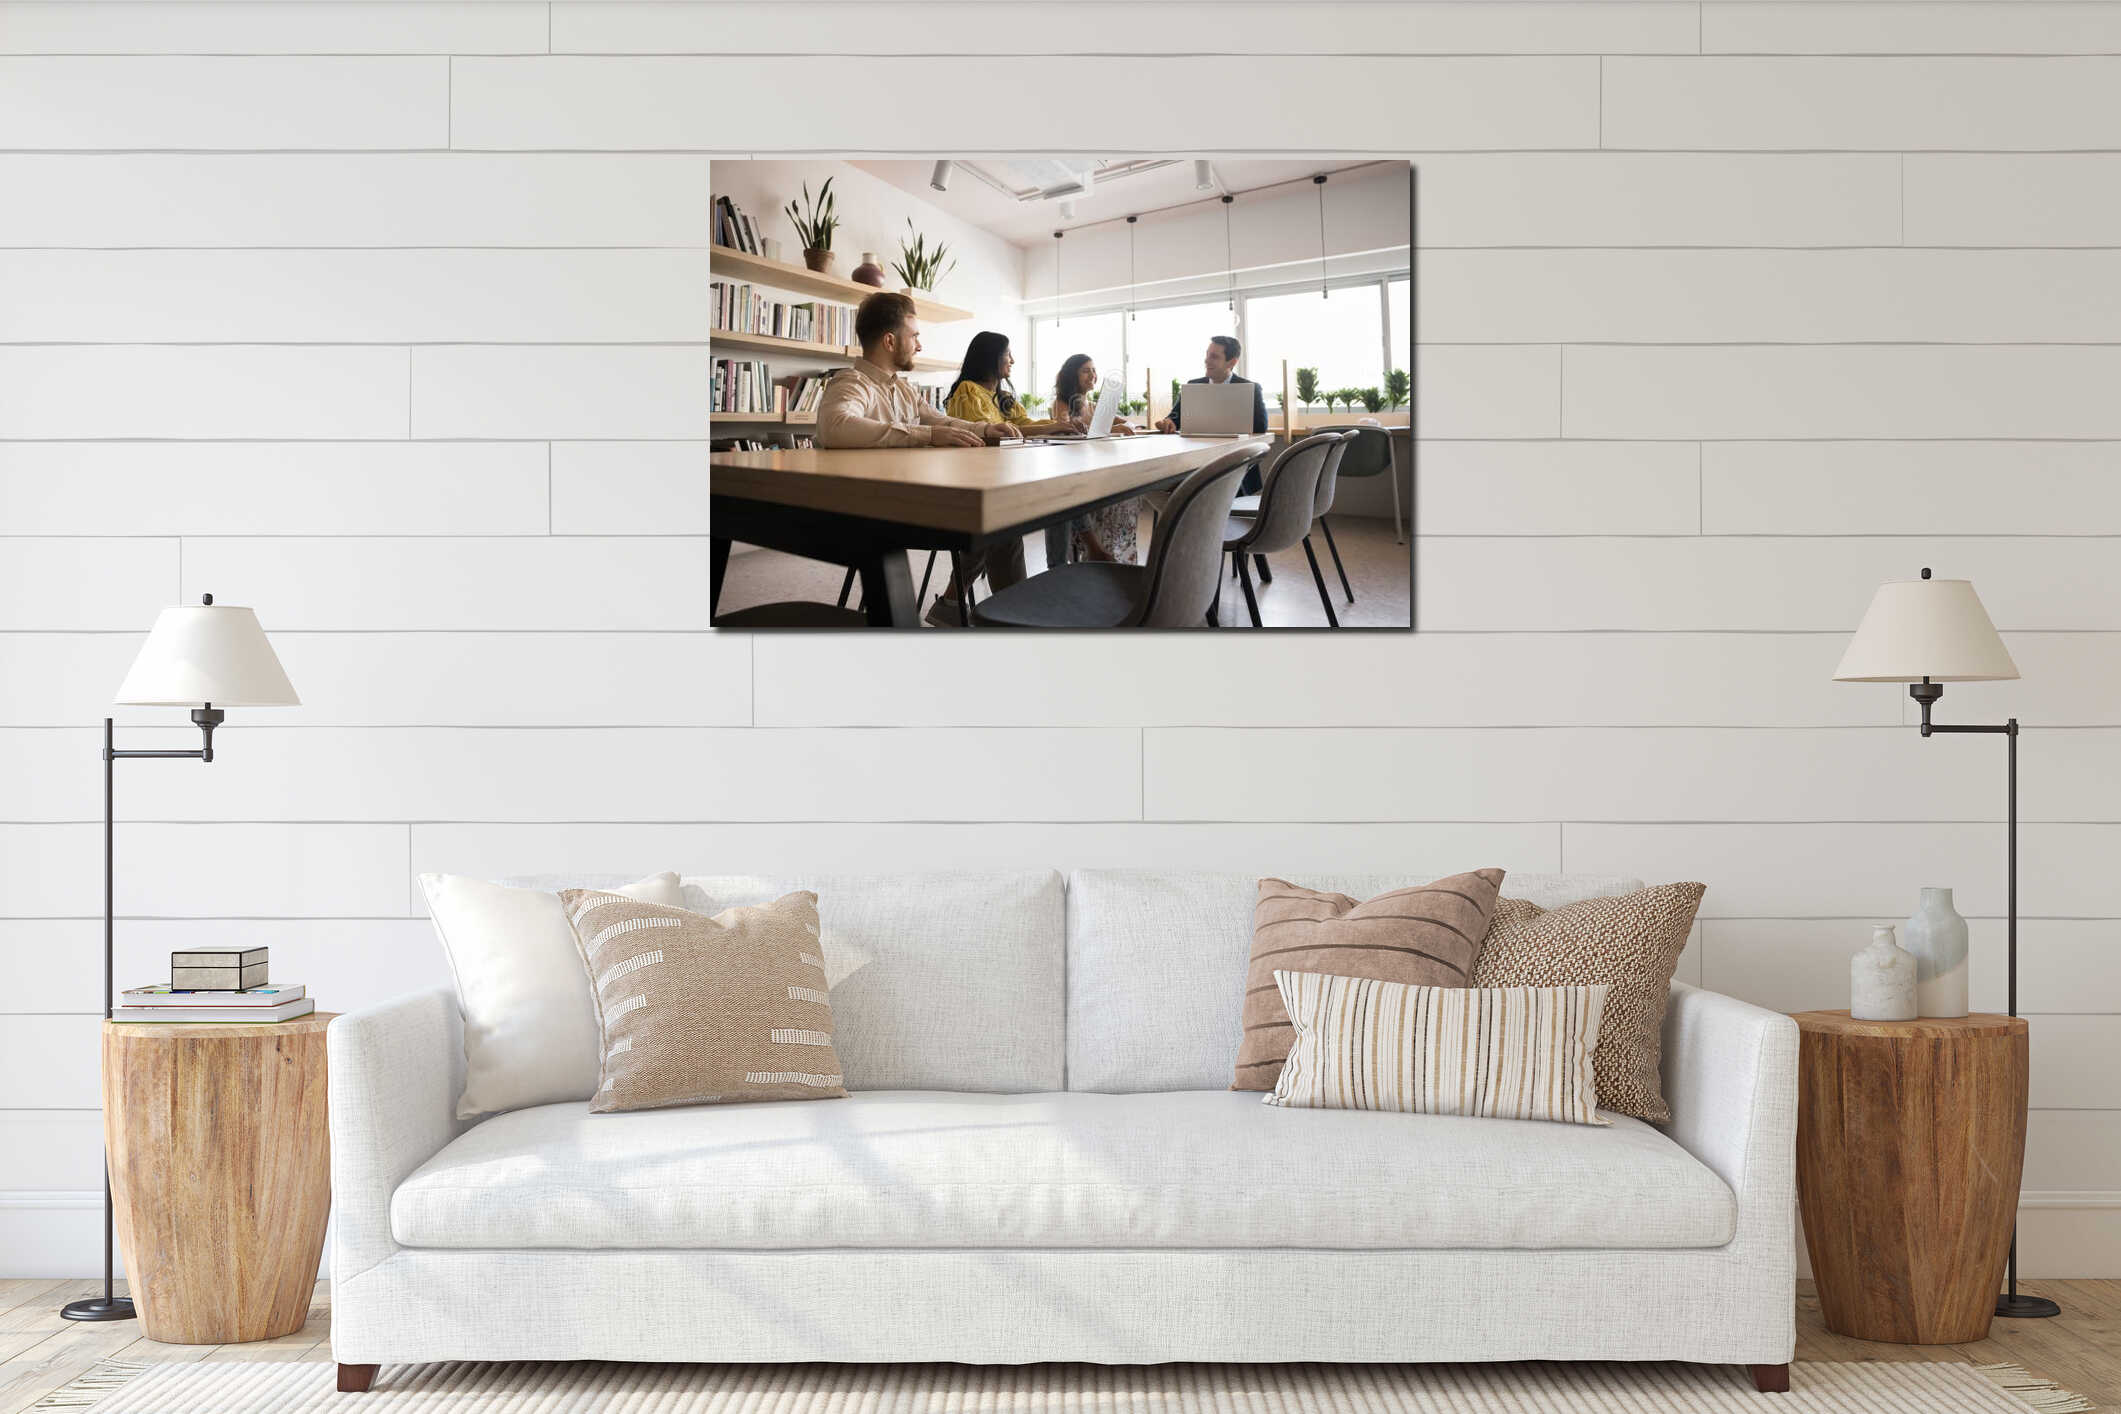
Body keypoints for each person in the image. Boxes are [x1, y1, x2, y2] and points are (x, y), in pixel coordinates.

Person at [816, 292, 1024, 625]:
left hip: (909, 500)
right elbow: (835, 427)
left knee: (1004, 517)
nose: (919, 345)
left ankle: (1013, 620)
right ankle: (1006, 619)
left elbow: (938, 420)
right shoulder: (851, 383)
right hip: (876, 513)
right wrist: (925, 436)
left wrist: (986, 428)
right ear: (889, 340)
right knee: (996, 518)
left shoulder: (904, 389)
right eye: (914, 336)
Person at [1051, 354, 1141, 565]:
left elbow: (1129, 423)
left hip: (1094, 466)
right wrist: (1113, 428)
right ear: (1072, 376)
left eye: (1093, 370)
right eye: (1086, 370)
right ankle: (1095, 549)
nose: (1093, 375)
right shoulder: (1062, 403)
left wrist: (1126, 425)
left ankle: (1116, 550)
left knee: (1127, 493)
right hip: (1074, 468)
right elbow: (1067, 427)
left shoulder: (1094, 405)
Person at [1156, 334, 1267, 493]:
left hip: (1235, 467)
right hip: (1196, 464)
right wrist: (1168, 422)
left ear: (1232, 362)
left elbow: (1261, 426)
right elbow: (1175, 417)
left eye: (1214, 357)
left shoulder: (1250, 388)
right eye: (1207, 355)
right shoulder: (1193, 386)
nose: (1206, 360)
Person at [944, 332, 1085, 436]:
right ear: (991, 357)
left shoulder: (1004, 396)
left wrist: (1062, 425)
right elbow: (991, 433)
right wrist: (1048, 429)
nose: (1012, 360)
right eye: (1008, 354)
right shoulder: (968, 389)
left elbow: (1024, 423)